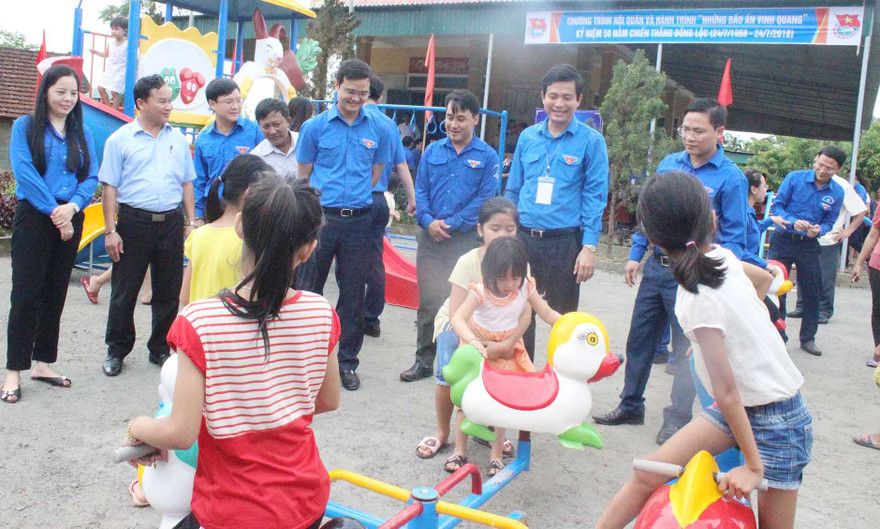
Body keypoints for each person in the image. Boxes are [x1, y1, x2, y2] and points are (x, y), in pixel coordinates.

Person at [121, 176, 340, 529]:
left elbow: (180, 432)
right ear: (308, 249)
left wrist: (138, 427)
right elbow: (327, 399)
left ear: (239, 225)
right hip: (305, 501)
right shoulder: (321, 312)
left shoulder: (200, 321)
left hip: (234, 509)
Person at [596, 171, 812, 529]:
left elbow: (726, 391)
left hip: (778, 420)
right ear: (709, 217)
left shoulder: (697, 295)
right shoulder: (720, 257)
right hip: (737, 408)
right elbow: (763, 280)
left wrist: (754, 467)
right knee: (649, 473)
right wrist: (717, 341)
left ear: (650, 234)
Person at [594, 98, 749, 444]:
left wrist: (713, 278)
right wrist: (636, 255)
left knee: (685, 350)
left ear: (719, 133)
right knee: (640, 340)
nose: (690, 137)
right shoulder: (668, 163)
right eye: (685, 130)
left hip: (694, 274)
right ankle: (630, 404)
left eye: (699, 130)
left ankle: (678, 418)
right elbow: (651, 214)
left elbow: (737, 241)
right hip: (658, 271)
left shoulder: (731, 179)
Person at [2, 64, 98, 404]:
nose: (68, 99)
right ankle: (14, 370)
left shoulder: (82, 134)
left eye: (73, 93)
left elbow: (91, 177)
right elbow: (24, 173)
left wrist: (71, 208)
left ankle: (43, 363)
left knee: (55, 294)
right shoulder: (25, 126)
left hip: (71, 216)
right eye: (61, 92)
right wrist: (56, 213)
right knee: (26, 295)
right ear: (45, 92)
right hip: (36, 217)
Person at [295, 59, 391, 391]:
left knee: (352, 295)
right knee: (308, 291)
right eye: (350, 91)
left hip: (359, 221)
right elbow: (304, 174)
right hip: (322, 220)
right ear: (337, 86)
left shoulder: (376, 127)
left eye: (362, 93)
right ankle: (301, 362)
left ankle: (346, 363)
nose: (355, 98)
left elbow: (376, 173)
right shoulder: (315, 127)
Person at [505, 64, 609, 356]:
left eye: (567, 97)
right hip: (524, 240)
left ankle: (559, 384)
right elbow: (513, 189)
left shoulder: (591, 142)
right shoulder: (528, 137)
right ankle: (523, 378)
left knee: (563, 319)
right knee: (519, 313)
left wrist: (589, 246)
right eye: (553, 96)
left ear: (579, 100)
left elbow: (594, 196)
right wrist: (505, 234)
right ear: (543, 96)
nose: (559, 104)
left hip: (565, 243)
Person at [99, 74, 198, 376]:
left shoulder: (178, 141)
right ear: (141, 103)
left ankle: (160, 348)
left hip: (170, 223)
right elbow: (110, 187)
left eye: (170, 100)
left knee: (168, 292)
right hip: (133, 222)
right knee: (124, 291)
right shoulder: (120, 140)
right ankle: (117, 351)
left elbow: (187, 184)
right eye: (162, 100)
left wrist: (191, 222)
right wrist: (110, 230)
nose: (169, 106)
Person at [401, 89, 499, 382]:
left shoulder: (487, 156)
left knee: (463, 305)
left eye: (461, 118)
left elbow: (484, 200)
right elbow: (422, 190)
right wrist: (429, 222)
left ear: (475, 120)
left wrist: (452, 224)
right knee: (430, 302)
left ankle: (458, 364)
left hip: (465, 241)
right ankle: (423, 361)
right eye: (449, 118)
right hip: (431, 239)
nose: (454, 124)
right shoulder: (432, 151)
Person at [414, 197, 519, 460]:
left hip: (497, 330)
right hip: (459, 324)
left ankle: (485, 427)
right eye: (495, 228)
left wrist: (507, 343)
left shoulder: (519, 262)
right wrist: (475, 341)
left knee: (496, 379)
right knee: (450, 377)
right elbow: (455, 313)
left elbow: (525, 307)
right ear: (480, 229)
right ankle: (442, 431)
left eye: (510, 229)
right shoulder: (469, 261)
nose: (502, 234)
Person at [448, 236, 561, 476]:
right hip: (478, 350)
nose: (509, 284)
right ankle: (459, 450)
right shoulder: (480, 290)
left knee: (502, 405)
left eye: (515, 277)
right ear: (489, 273)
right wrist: (473, 340)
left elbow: (546, 312)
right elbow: (457, 317)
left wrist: (567, 324)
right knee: (466, 403)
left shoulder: (525, 287)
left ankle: (496, 455)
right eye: (502, 278)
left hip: (508, 351)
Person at [768, 146, 846, 356]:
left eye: (829, 168)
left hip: (809, 244)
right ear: (815, 160)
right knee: (776, 287)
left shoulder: (837, 192)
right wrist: (794, 222)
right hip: (784, 238)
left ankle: (808, 338)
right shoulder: (795, 178)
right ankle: (776, 333)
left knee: (813, 290)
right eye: (820, 165)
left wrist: (820, 229)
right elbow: (777, 207)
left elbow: (830, 221)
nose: (823, 170)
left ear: (837, 169)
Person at [363, 76, 417, 338]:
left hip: (348, 202)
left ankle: (346, 314)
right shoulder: (388, 125)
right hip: (378, 200)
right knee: (375, 261)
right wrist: (412, 197)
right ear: (380, 97)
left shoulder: (351, 119)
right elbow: (401, 165)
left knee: (346, 262)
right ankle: (371, 317)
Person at [180, 154, 272, 305]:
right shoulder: (250, 239)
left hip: (201, 322)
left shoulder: (198, 235)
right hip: (234, 325)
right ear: (249, 193)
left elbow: (185, 297)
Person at [789, 172, 866, 323]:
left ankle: (824, 311)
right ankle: (802, 307)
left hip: (828, 238)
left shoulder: (842, 185)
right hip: (805, 236)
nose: (821, 168)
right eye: (818, 163)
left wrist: (848, 231)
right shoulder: (806, 181)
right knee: (803, 273)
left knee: (825, 277)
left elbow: (861, 210)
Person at [192, 78, 263, 221]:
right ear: (212, 104)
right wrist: (198, 217)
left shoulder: (255, 131)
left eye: (238, 100)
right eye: (229, 102)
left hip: (246, 207)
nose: (235, 106)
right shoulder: (204, 139)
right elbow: (199, 180)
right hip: (213, 208)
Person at [850, 205, 880, 368]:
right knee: (878, 309)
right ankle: (878, 352)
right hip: (878, 264)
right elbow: (873, 234)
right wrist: (859, 263)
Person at [251, 98, 298, 178]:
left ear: (288, 121)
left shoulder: (306, 143)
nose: (272, 131)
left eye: (277, 124)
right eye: (266, 126)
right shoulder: (257, 158)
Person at [90, 16, 128, 111]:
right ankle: (109, 108)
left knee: (115, 92)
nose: (113, 31)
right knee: (100, 88)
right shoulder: (111, 42)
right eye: (112, 29)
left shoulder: (127, 44)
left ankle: (115, 111)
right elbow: (106, 54)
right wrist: (96, 52)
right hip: (110, 70)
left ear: (125, 31)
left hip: (120, 71)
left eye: (117, 29)